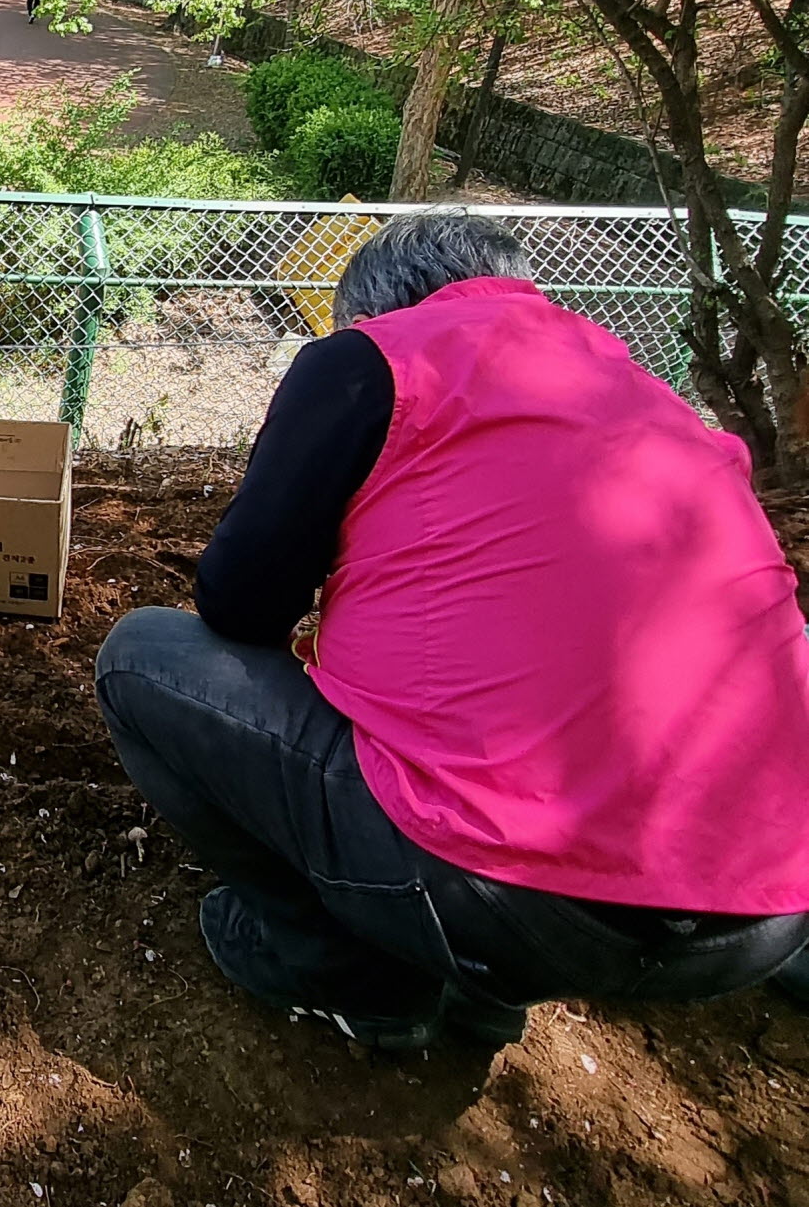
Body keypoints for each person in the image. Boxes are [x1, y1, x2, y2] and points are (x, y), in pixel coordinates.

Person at [96, 210, 809, 1050]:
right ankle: (484, 974)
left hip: (511, 896)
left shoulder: (375, 360)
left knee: (140, 658)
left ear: (371, 309)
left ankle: (353, 975)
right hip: (766, 912)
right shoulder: (639, 388)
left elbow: (239, 602)